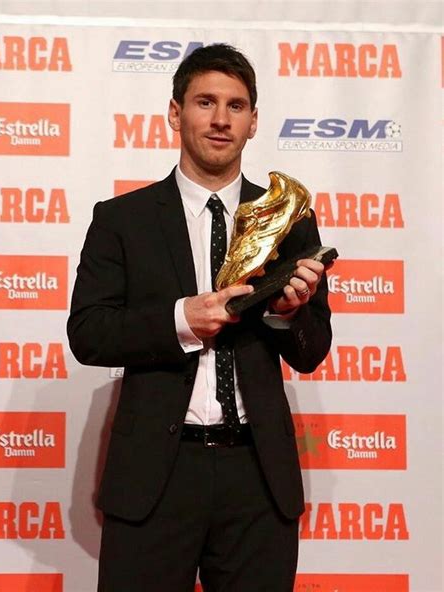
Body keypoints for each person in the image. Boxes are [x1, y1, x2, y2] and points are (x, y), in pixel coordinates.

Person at [67, 43, 332, 592]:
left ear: (253, 122)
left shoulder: (288, 218)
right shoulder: (123, 220)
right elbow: (88, 333)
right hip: (157, 477)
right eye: (205, 102)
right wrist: (180, 319)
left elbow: (312, 352)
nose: (219, 119)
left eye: (236, 106)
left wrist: (289, 314)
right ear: (174, 113)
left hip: (258, 479)